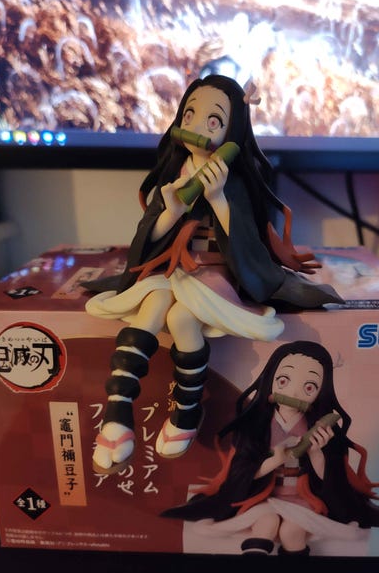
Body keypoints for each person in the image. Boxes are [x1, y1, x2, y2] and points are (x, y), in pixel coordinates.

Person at [82, 75, 343, 474]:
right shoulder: (175, 171)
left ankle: (187, 412)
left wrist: (219, 199)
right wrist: (170, 211)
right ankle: (117, 412)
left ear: (232, 130)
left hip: (214, 273)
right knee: (153, 303)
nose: (197, 127)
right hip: (172, 267)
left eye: (214, 120)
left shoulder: (235, 179)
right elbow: (146, 239)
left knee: (180, 317)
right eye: (190, 114)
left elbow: (250, 245)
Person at [162, 340, 379, 555]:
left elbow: (335, 481)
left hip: (303, 498)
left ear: (321, 392)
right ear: (270, 381)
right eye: (283, 381)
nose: (294, 392)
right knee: (265, 525)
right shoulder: (255, 425)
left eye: (309, 387)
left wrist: (317, 455)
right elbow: (240, 472)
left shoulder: (322, 428)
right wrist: (274, 461)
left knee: (291, 531)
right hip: (263, 496)